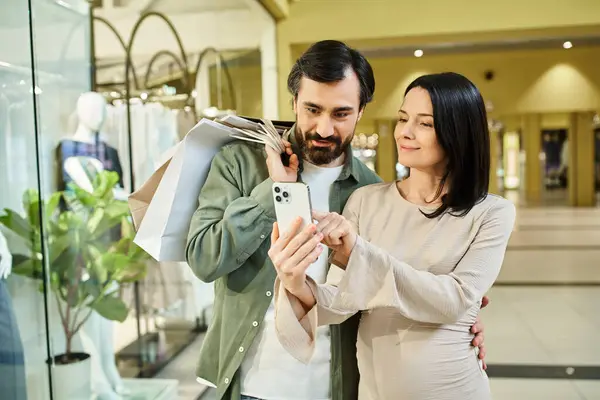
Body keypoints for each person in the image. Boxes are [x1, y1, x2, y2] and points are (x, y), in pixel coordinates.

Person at [186, 41, 488, 400]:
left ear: (361, 111)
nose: (324, 128)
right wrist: (274, 192)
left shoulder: (373, 192)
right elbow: (203, 258)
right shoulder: (240, 163)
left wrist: (463, 320)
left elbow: (392, 286)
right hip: (250, 383)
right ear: (294, 102)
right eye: (312, 109)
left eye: (341, 114)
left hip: (338, 385)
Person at [269, 72, 516, 400]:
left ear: (459, 132)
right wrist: (295, 282)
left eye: (425, 123)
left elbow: (454, 300)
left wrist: (359, 254)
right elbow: (342, 301)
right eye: (403, 118)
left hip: (456, 387)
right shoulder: (367, 200)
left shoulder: (491, 213)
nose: (405, 132)